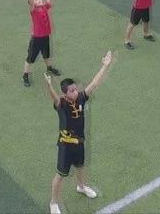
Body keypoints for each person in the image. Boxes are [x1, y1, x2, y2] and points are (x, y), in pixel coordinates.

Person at [46, 51, 114, 214]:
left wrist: (105, 66)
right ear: (65, 93)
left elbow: (94, 84)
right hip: (65, 145)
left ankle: (81, 186)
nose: (76, 92)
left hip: (79, 142)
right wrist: (49, 86)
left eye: (76, 89)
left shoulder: (81, 98)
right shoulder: (62, 105)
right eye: (72, 91)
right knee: (60, 175)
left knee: (81, 166)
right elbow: (55, 99)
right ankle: (53, 202)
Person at [22, 0, 65, 87]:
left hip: (45, 36)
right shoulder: (34, 11)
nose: (38, 0)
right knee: (30, 58)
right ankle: (25, 75)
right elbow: (30, 1)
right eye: (35, 0)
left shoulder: (45, 7)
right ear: (33, 3)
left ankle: (49, 68)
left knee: (46, 54)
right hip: (36, 39)